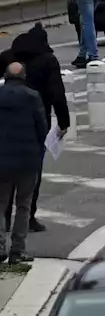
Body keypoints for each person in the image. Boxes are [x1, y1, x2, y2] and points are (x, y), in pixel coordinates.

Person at [0, 24, 69, 237]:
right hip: (36, 120)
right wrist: (63, 122)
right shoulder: (48, 60)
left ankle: (5, 222)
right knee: (31, 175)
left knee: (5, 178)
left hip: (5, 123)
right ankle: (28, 218)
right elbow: (57, 93)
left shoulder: (7, 57)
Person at [0, 62, 48, 265]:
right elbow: (42, 128)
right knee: (23, 205)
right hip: (28, 160)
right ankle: (18, 250)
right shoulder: (32, 96)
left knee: (0, 205)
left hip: (1, 160)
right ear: (24, 76)